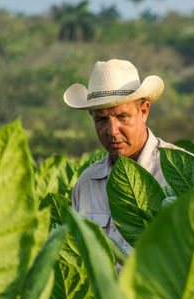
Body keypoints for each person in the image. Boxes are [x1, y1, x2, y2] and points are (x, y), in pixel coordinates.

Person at [64, 59, 187, 254]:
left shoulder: (182, 172)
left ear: (144, 111)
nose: (112, 131)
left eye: (123, 117)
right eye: (102, 120)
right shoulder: (86, 183)